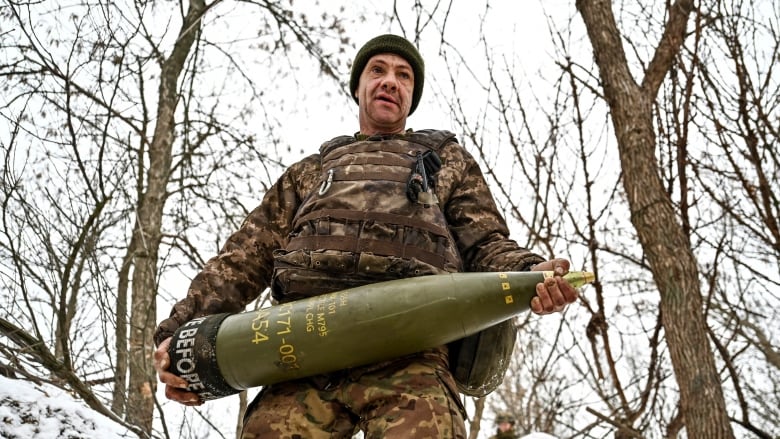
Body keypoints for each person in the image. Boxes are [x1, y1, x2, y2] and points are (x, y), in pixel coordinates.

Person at [153, 34, 579, 439]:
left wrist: (529, 272)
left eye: (403, 75)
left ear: (412, 95)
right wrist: (177, 334)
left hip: (411, 346)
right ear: (358, 86)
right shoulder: (310, 172)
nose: (390, 81)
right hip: (300, 347)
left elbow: (484, 244)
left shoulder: (446, 162)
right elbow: (244, 259)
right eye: (378, 70)